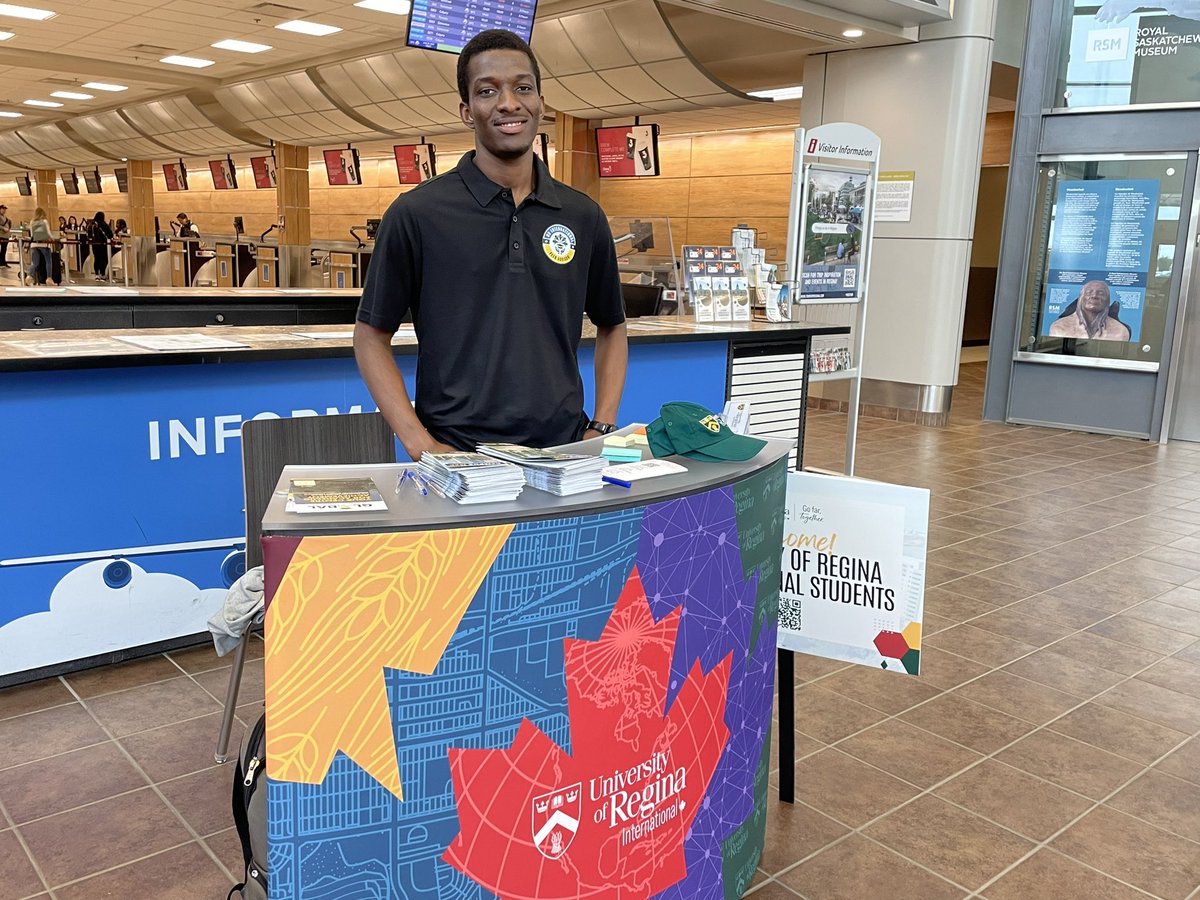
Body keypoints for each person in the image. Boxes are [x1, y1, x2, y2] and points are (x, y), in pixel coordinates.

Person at [354, 28, 628, 457]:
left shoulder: (583, 216)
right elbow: (370, 336)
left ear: (540, 102)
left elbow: (613, 325)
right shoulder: (418, 213)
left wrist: (602, 427)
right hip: (459, 456)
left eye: (523, 87)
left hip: (563, 453)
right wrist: (420, 442)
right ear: (466, 111)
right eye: (488, 91)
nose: (508, 103)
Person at [1048, 280, 1131, 341]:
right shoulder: (1059, 327)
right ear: (1081, 298)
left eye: (1101, 293)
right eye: (1089, 292)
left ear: (1107, 300)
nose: (1094, 296)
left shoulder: (1121, 331)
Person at [29, 207, 54, 285]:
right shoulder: (44, 221)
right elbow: (48, 233)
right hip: (44, 244)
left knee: (34, 262)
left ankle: (29, 276)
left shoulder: (32, 222)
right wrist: (53, 238)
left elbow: (32, 234)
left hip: (34, 244)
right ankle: (49, 278)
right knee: (48, 261)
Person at [91, 211, 114, 280]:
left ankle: (96, 274)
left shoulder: (92, 224)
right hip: (103, 245)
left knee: (96, 259)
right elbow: (110, 234)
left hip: (95, 245)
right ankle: (102, 273)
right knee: (103, 259)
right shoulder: (104, 224)